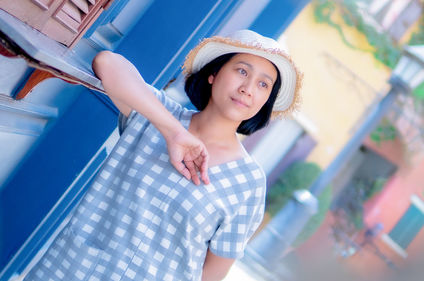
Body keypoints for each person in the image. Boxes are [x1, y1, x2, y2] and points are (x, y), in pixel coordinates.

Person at [24, 29, 302, 281]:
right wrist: (173, 132)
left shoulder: (249, 183)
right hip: (72, 272)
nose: (248, 88)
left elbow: (212, 274)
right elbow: (107, 63)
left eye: (264, 84)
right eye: (242, 71)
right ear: (214, 73)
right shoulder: (155, 114)